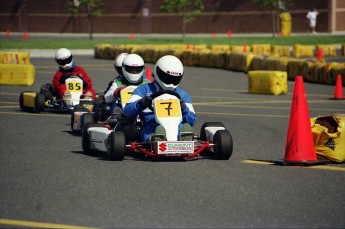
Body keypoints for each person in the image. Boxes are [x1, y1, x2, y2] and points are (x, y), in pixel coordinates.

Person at [122, 55, 196, 142]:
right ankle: (153, 139)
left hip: (176, 124)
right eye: (167, 78)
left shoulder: (182, 95)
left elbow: (192, 120)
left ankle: (184, 137)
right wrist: (141, 104)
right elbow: (127, 111)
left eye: (174, 79)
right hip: (151, 122)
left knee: (181, 127)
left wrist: (184, 109)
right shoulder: (143, 90)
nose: (171, 82)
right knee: (148, 130)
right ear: (158, 72)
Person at [97, 53, 150, 122]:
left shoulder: (147, 83)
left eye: (137, 69)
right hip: (122, 111)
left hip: (142, 109)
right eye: (131, 69)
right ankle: (115, 117)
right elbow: (107, 99)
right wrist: (115, 93)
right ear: (124, 69)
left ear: (142, 69)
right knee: (110, 107)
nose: (134, 72)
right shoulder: (117, 82)